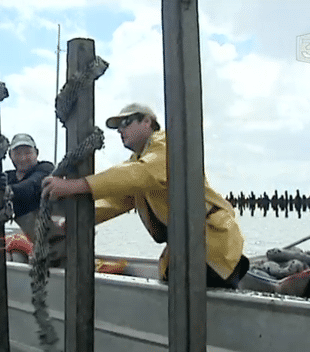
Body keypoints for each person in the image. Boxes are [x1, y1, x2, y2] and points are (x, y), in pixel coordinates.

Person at [41, 103, 250, 288]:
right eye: (118, 127)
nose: (120, 130)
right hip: (189, 248)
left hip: (211, 243)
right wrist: (77, 221)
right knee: (173, 282)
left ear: (148, 122)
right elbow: (117, 200)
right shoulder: (139, 160)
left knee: (192, 294)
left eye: (127, 122)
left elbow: (140, 174)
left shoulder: (167, 144)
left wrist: (75, 185)